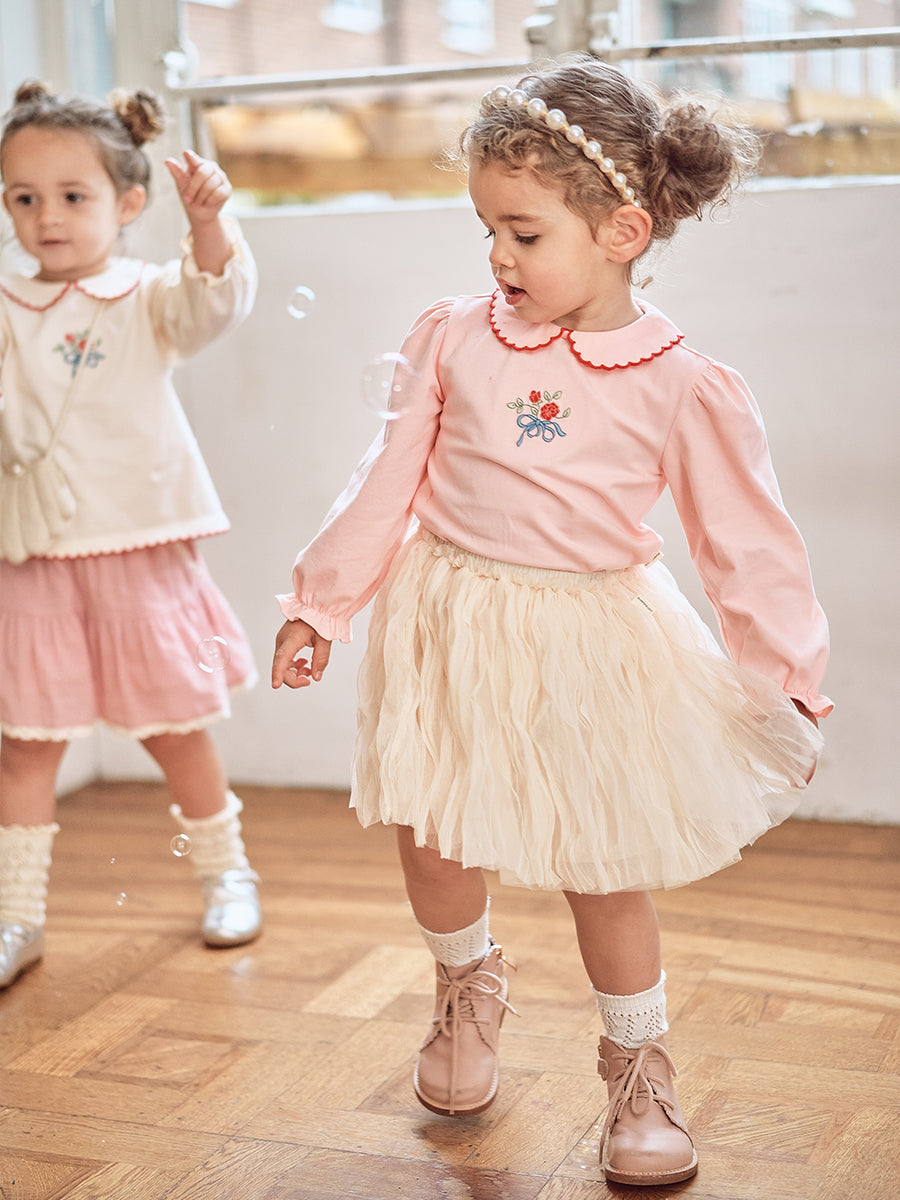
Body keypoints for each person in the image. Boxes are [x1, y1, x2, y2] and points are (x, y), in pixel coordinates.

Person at [271, 57, 831, 1187]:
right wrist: (321, 603)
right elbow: (384, 480)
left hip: (591, 642)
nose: (497, 256)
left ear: (622, 231)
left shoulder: (680, 382)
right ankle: (465, 987)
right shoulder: (453, 337)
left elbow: (747, 540)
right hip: (449, 619)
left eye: (524, 233)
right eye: (487, 229)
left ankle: (637, 1066)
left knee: (601, 862)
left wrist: (786, 676)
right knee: (433, 836)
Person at [0, 81, 262, 991]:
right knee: (25, 742)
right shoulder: (3, 302)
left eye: (72, 196)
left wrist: (209, 228)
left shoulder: (149, 295)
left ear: (127, 202)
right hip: (31, 551)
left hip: (138, 540)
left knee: (175, 726)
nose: (47, 217)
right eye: (23, 197)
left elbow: (213, 304)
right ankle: (16, 916)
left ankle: (227, 875)